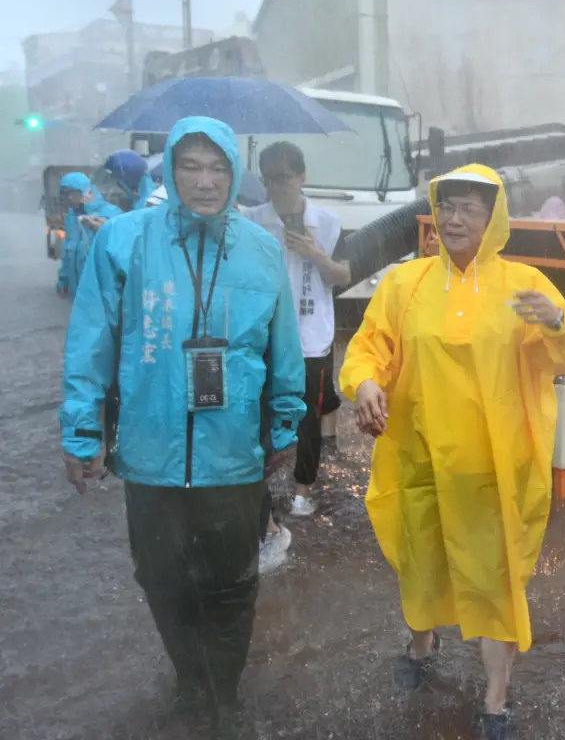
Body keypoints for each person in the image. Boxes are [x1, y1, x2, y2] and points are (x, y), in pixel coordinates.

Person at [59, 116, 307, 739]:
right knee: (162, 578)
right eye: (191, 167)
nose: (205, 181)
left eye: (218, 167)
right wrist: (82, 433)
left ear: (233, 172)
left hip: (231, 454)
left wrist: (285, 424)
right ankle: (190, 678)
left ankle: (224, 694)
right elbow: (91, 344)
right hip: (151, 452)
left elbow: (283, 348)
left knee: (231, 582)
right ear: (170, 169)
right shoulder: (123, 241)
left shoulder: (260, 248)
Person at [339, 164, 565, 739]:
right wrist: (365, 384)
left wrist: (558, 321)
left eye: (470, 210)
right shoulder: (405, 285)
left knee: (494, 581)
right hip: (421, 460)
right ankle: (420, 646)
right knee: (423, 562)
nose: (455, 219)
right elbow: (368, 348)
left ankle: (496, 700)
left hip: (492, 471)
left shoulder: (520, 285)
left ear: (494, 219)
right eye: (447, 206)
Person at [242, 142, 350, 572]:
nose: (277, 186)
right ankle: (261, 496)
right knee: (258, 417)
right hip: (264, 336)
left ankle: (303, 490)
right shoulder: (252, 221)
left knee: (306, 418)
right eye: (268, 178)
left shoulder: (327, 222)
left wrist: (315, 253)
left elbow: (343, 275)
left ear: (302, 176)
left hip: (310, 337)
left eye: (284, 176)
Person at [55, 173, 123, 300]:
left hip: (104, 292)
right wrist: (63, 279)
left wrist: (100, 227)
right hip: (79, 292)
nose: (68, 199)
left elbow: (122, 249)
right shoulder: (72, 217)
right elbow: (68, 251)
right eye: (64, 194)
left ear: (87, 192)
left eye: (72, 194)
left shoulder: (112, 214)